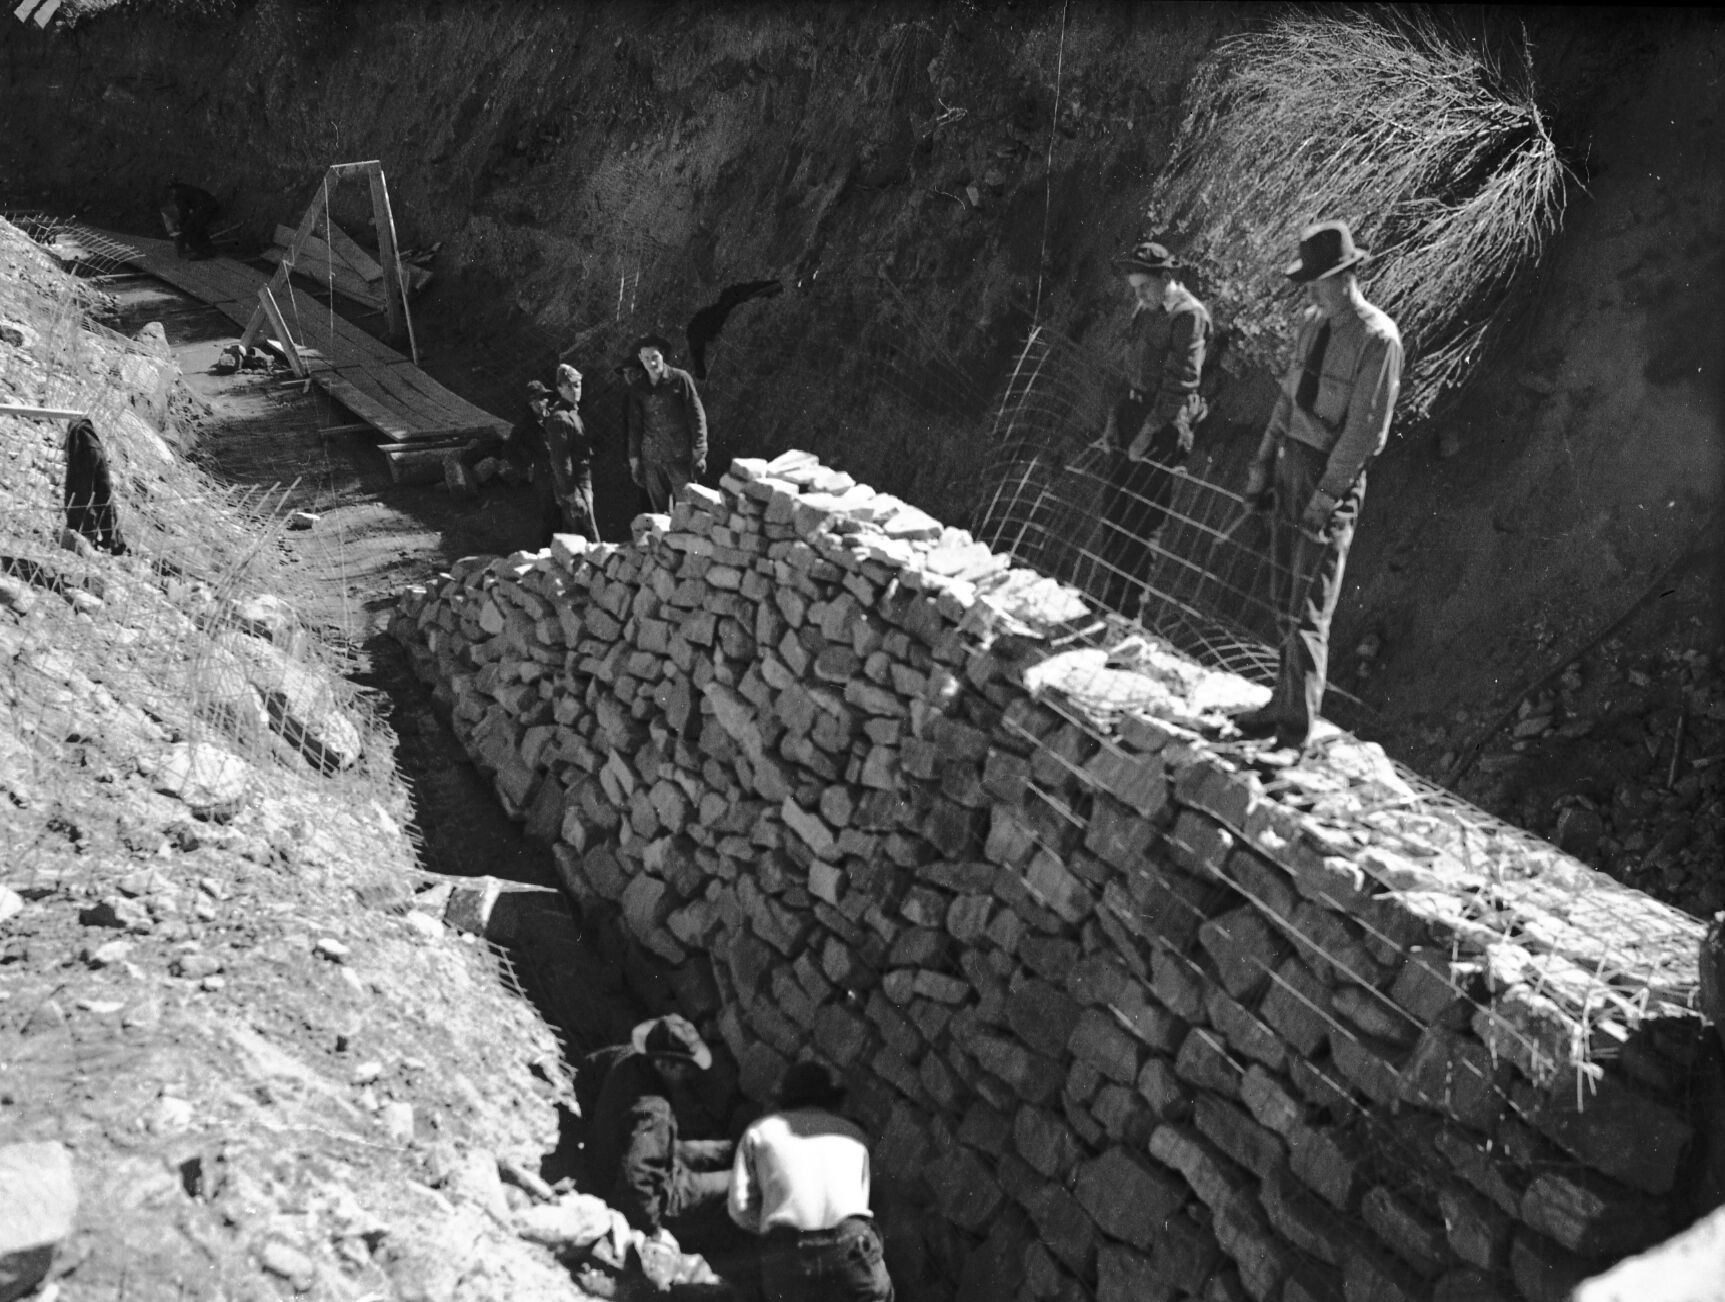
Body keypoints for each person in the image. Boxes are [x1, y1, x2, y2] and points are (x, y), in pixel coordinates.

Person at [1233, 220, 1402, 751]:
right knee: (1284, 594)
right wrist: (1263, 467)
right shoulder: (1311, 323)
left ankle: (1295, 733)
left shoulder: (1378, 339)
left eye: (1320, 279)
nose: (1311, 289)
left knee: (1309, 607)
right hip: (1290, 465)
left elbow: (1364, 432)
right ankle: (1278, 705)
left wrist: (1325, 498)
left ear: (1348, 275)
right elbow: (1286, 402)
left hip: (1329, 477)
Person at [1090, 239, 1211, 615]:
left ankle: (1129, 613)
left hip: (1163, 426)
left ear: (1166, 279)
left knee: (1141, 522)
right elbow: (1130, 368)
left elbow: (1180, 384)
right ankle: (1107, 601)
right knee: (1115, 512)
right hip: (1131, 413)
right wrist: (1115, 419)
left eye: (1145, 286)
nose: (1139, 294)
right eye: (1136, 288)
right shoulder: (1146, 309)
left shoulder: (1187, 316)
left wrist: (1146, 434)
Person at [729, 1061, 893, 1302]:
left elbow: (739, 1209)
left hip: (788, 1252)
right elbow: (864, 1200)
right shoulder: (853, 1134)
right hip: (851, 1248)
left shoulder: (759, 1131)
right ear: (830, 1100)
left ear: (784, 1100)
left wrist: (772, 1227)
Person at [585, 1014, 734, 1246]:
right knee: (735, 1183)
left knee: (723, 1152)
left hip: (617, 1156)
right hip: (648, 1193)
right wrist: (652, 1231)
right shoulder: (653, 1113)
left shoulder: (627, 1057)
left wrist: (598, 1129)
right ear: (664, 1064)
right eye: (686, 1068)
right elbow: (636, 1185)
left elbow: (588, 1069)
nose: (692, 1075)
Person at [625, 333, 707, 512]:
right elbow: (635, 426)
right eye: (646, 358)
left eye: (654, 357)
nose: (651, 363)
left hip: (680, 457)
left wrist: (699, 450)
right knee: (660, 514)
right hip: (652, 460)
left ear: (662, 355)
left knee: (687, 510)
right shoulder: (638, 388)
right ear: (640, 359)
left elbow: (696, 415)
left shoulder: (680, 379)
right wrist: (635, 460)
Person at [444, 379, 547, 498]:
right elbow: (509, 450)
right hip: (505, 455)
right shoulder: (522, 426)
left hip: (517, 457)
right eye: (535, 400)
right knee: (472, 463)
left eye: (542, 398)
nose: (540, 403)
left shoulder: (544, 419)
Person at [544, 362, 599, 540]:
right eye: (569, 386)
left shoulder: (573, 413)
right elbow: (561, 460)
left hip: (582, 479)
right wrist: (571, 494)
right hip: (575, 484)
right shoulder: (560, 418)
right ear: (559, 389)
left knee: (582, 534)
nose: (575, 390)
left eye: (577, 385)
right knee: (587, 535)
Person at [160, 182, 219, 260]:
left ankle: (202, 252)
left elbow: (184, 213)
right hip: (210, 205)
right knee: (197, 226)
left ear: (172, 190)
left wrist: (179, 225)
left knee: (190, 227)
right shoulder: (186, 189)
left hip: (205, 208)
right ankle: (209, 249)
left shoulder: (179, 194)